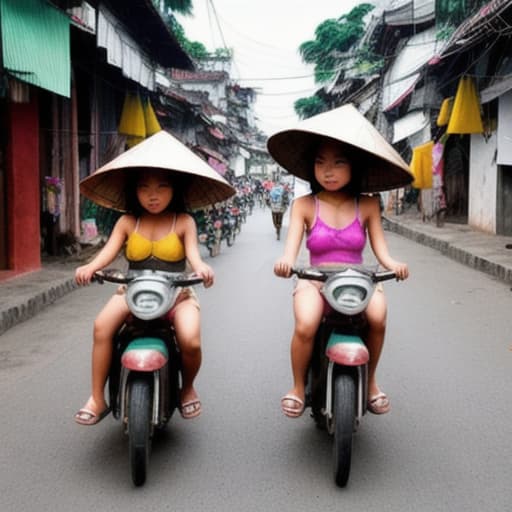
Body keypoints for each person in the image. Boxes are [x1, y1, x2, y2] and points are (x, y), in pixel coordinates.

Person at [74, 130, 235, 425]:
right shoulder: (127, 221)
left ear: (174, 189)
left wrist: (202, 269)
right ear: (134, 190)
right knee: (101, 327)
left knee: (191, 341)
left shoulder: (183, 221)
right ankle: (97, 397)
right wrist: (89, 268)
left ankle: (187, 388)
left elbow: (194, 257)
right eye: (145, 187)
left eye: (162, 186)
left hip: (178, 294)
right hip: (131, 291)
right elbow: (107, 253)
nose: (153, 195)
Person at [267, 104, 413, 418]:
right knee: (305, 324)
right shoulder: (303, 204)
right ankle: (296, 386)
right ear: (312, 168)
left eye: (338, 163)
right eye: (321, 163)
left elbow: (381, 251)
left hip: (359, 279)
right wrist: (285, 261)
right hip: (315, 279)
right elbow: (291, 250)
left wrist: (394, 264)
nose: (328, 171)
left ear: (353, 166)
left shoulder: (369, 204)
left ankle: (371, 381)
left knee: (378, 318)